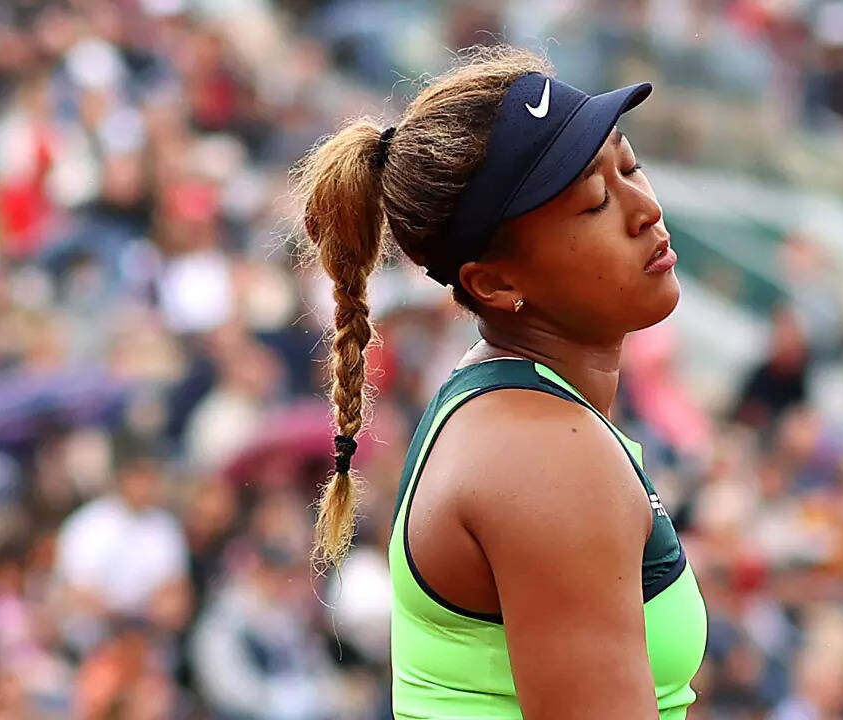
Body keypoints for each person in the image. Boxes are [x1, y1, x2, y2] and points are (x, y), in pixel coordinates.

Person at [293, 45, 707, 719]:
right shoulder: (544, 455)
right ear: (494, 282)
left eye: (630, 166)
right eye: (595, 202)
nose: (644, 210)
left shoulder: (512, 409)